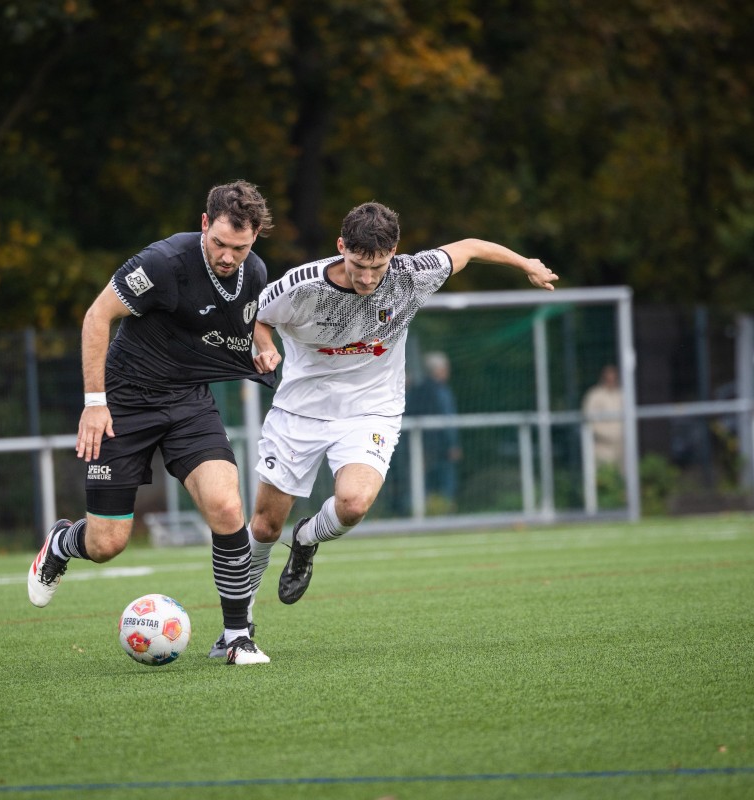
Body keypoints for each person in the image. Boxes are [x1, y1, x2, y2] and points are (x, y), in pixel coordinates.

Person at [248, 201, 558, 608]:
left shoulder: (412, 275)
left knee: (353, 504)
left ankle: (306, 539)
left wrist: (526, 264)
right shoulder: (303, 286)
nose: (368, 277)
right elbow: (254, 316)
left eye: (377, 267)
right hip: (300, 409)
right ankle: (240, 621)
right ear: (341, 246)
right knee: (267, 526)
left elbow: (470, 247)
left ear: (393, 253)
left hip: (372, 408)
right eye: (359, 264)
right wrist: (266, 347)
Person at [26, 180, 277, 665]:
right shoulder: (162, 263)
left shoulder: (255, 273)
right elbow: (96, 317)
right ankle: (62, 541)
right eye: (220, 243)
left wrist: (262, 346)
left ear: (256, 238)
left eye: (239, 248)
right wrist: (95, 402)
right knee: (107, 544)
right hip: (125, 402)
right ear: (205, 224)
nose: (228, 257)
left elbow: (246, 323)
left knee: (227, 508)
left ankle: (235, 637)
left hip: (188, 401)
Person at [406, 351, 462, 511]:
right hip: (441, 448)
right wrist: (453, 444)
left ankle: (421, 513)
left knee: (422, 484)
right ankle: (445, 513)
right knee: (445, 484)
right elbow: (448, 420)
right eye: (445, 368)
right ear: (438, 370)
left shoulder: (416, 390)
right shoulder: (442, 392)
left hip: (421, 447)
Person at [582, 364, 624, 471]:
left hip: (621, 446)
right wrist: (608, 435)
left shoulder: (621, 395)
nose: (611, 380)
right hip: (602, 447)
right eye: (608, 377)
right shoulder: (594, 395)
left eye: (613, 377)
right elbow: (590, 420)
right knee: (603, 476)